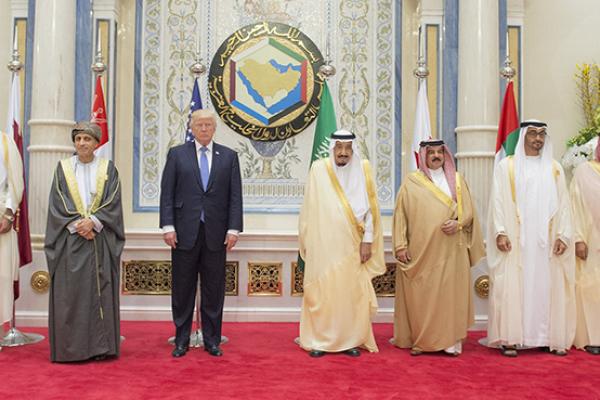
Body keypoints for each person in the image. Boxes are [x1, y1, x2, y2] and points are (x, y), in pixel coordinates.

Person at [487, 120, 575, 357]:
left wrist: (563, 235)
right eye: (533, 134)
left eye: (542, 134)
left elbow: (564, 206)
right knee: (514, 286)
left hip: (545, 243)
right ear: (524, 136)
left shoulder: (554, 168)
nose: (538, 138)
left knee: (545, 286)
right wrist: (500, 231)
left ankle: (545, 336)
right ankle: (511, 339)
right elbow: (496, 201)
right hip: (517, 241)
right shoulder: (507, 167)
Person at [160, 109, 243, 358]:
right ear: (192, 128)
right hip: (184, 233)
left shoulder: (228, 157)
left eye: (208, 124)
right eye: (200, 125)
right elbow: (167, 194)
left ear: (214, 128)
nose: (204, 129)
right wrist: (168, 227)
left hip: (216, 235)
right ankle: (182, 340)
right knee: (182, 289)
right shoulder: (177, 154)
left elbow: (235, 197)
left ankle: (212, 340)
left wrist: (233, 229)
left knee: (213, 290)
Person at [392, 139, 485, 356]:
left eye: (440, 152)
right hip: (422, 251)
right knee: (423, 296)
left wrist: (458, 223)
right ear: (423, 156)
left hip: (452, 250)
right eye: (431, 152)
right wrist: (400, 245)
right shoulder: (411, 182)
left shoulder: (458, 181)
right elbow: (401, 216)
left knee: (450, 297)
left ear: (446, 155)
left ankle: (451, 341)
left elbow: (469, 211)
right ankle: (422, 341)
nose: (436, 156)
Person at [298, 129, 386, 357]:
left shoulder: (364, 170)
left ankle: (349, 340)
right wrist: (307, 238)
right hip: (323, 245)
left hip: (352, 245)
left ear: (353, 150)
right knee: (323, 291)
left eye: (348, 148)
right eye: (339, 148)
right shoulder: (319, 170)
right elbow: (309, 207)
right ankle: (319, 340)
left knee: (349, 293)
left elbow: (371, 213)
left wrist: (367, 241)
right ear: (332, 149)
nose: (343, 153)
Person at [45, 122, 124, 362]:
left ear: (96, 143)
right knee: (72, 296)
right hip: (71, 242)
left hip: (100, 241)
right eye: (78, 139)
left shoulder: (108, 169)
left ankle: (102, 348)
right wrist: (78, 225)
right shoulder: (63, 169)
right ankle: (72, 349)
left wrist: (94, 222)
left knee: (100, 292)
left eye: (87, 139)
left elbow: (113, 201)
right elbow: (57, 203)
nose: (82, 143)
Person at [569, 138, 600, 355]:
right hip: (592, 239)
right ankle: (593, 338)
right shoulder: (584, 171)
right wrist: (578, 238)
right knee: (591, 288)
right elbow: (575, 205)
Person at [1, 130, 24, 345]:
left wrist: (8, 213)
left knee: (1, 277)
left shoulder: (5, 142)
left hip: (0, 219)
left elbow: (15, 183)